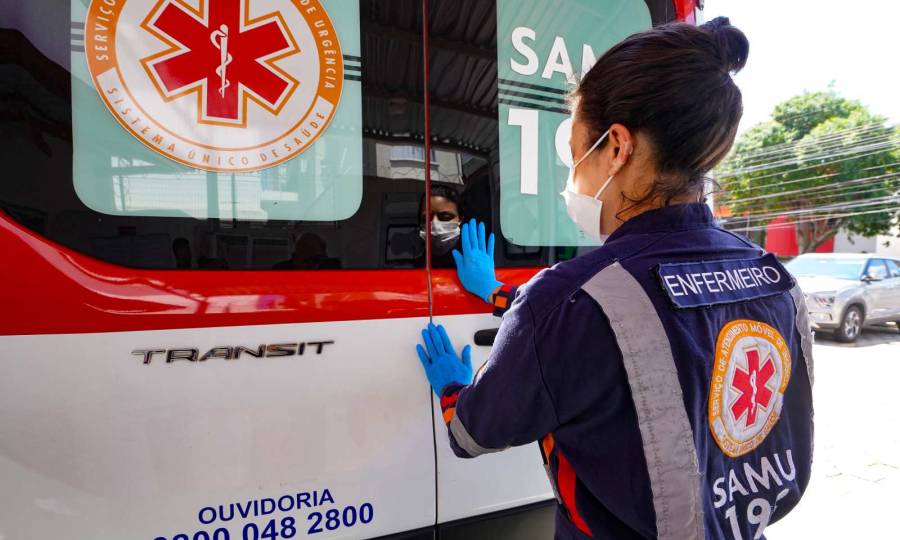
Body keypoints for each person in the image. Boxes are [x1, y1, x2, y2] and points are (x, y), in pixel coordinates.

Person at [415, 18, 813, 540]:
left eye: (575, 151)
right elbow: (648, 328)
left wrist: (451, 384)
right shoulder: (773, 278)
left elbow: (472, 434)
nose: (573, 173)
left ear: (617, 146)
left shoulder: (569, 300)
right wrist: (498, 294)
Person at [417, 184, 464, 268]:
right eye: (426, 219)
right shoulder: (416, 268)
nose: (435, 225)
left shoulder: (472, 262)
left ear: (460, 220)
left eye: (445, 217)